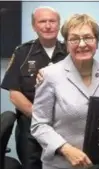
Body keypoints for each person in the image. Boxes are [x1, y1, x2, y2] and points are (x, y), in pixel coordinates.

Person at [30, 13, 99, 169]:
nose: (82, 44)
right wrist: (66, 149)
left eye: (88, 37)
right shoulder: (49, 75)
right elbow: (39, 125)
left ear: (97, 41)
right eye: (74, 39)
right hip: (62, 164)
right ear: (66, 44)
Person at [1, 6, 67, 169]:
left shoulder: (70, 52)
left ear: (59, 25)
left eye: (52, 21)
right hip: (30, 130)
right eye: (42, 21)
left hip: (64, 128)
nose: (47, 25)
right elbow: (14, 94)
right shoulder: (22, 52)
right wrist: (40, 119)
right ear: (34, 26)